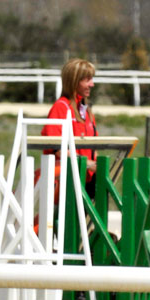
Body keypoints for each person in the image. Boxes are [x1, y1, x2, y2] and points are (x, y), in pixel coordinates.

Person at [41, 58, 98, 198]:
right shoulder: (61, 107)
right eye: (87, 80)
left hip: (86, 180)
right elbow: (57, 148)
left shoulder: (87, 111)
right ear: (74, 81)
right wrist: (87, 163)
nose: (92, 84)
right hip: (66, 181)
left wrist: (99, 166)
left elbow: (94, 148)